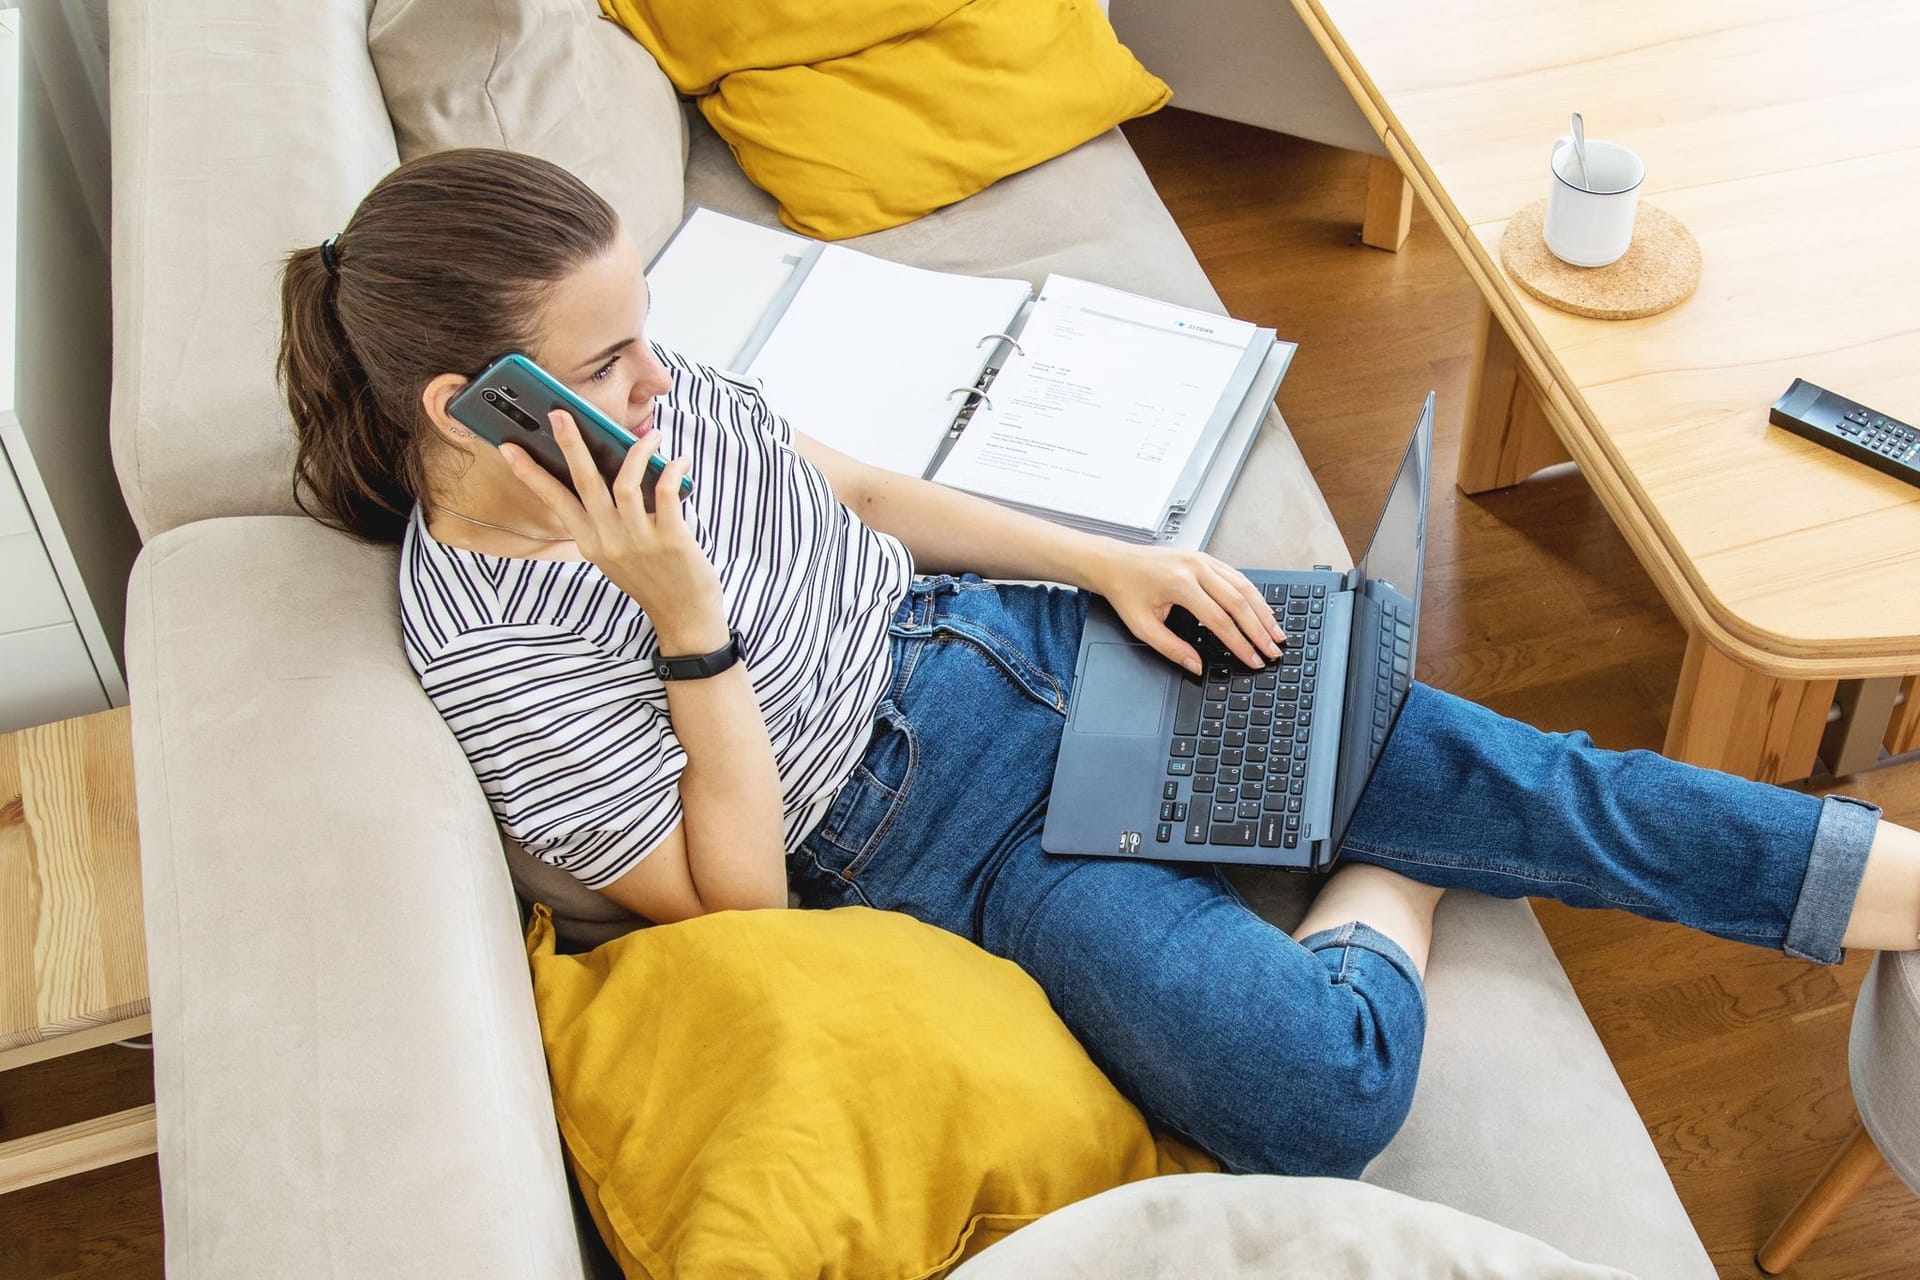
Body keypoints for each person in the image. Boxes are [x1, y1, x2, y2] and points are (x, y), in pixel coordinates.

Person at [277, 148, 1920, 1179]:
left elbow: (850, 489)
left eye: (645, 334)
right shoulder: (486, 644)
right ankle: (1398, 875)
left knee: (1553, 785)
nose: (657, 373)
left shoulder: (642, 395)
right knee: (1317, 1098)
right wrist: (683, 614)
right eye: (608, 358)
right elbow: (751, 908)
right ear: (471, 406)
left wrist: (1110, 559)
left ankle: (1903, 887)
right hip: (939, 848)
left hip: (1018, 642)